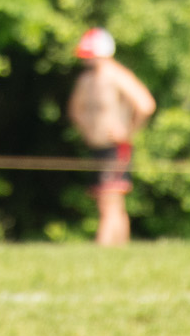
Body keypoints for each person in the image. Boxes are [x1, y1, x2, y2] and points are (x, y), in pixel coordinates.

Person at [66, 28, 156, 247]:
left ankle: (102, 252)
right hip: (96, 147)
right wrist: (86, 130)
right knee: (110, 204)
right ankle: (119, 252)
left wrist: (128, 132)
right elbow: (74, 110)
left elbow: (146, 105)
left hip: (116, 148)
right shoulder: (86, 81)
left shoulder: (118, 76)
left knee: (109, 204)